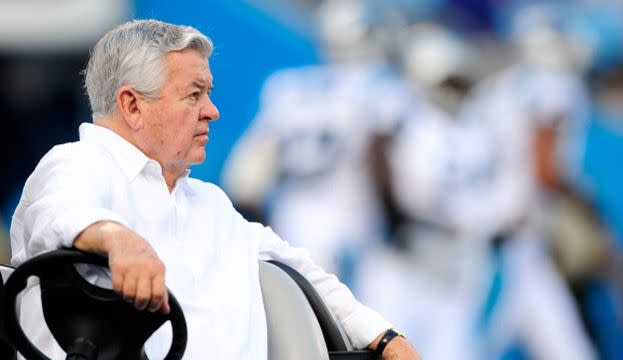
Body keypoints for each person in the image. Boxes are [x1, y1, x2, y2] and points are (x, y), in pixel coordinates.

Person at [9, 19, 420, 359]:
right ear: (133, 106)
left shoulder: (210, 202)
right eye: (194, 94)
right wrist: (116, 240)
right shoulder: (78, 163)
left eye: (209, 93)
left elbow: (302, 270)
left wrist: (384, 337)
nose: (213, 110)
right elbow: (58, 211)